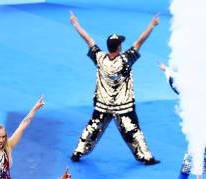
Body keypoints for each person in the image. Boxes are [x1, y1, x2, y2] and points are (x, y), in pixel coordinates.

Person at [68, 11, 160, 165]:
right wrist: (152, 25)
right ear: (119, 47)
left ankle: (78, 152)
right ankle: (147, 157)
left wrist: (75, 23)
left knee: (91, 129)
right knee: (133, 132)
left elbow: (88, 39)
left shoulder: (100, 58)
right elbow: (140, 41)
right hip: (123, 107)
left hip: (102, 105)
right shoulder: (126, 59)